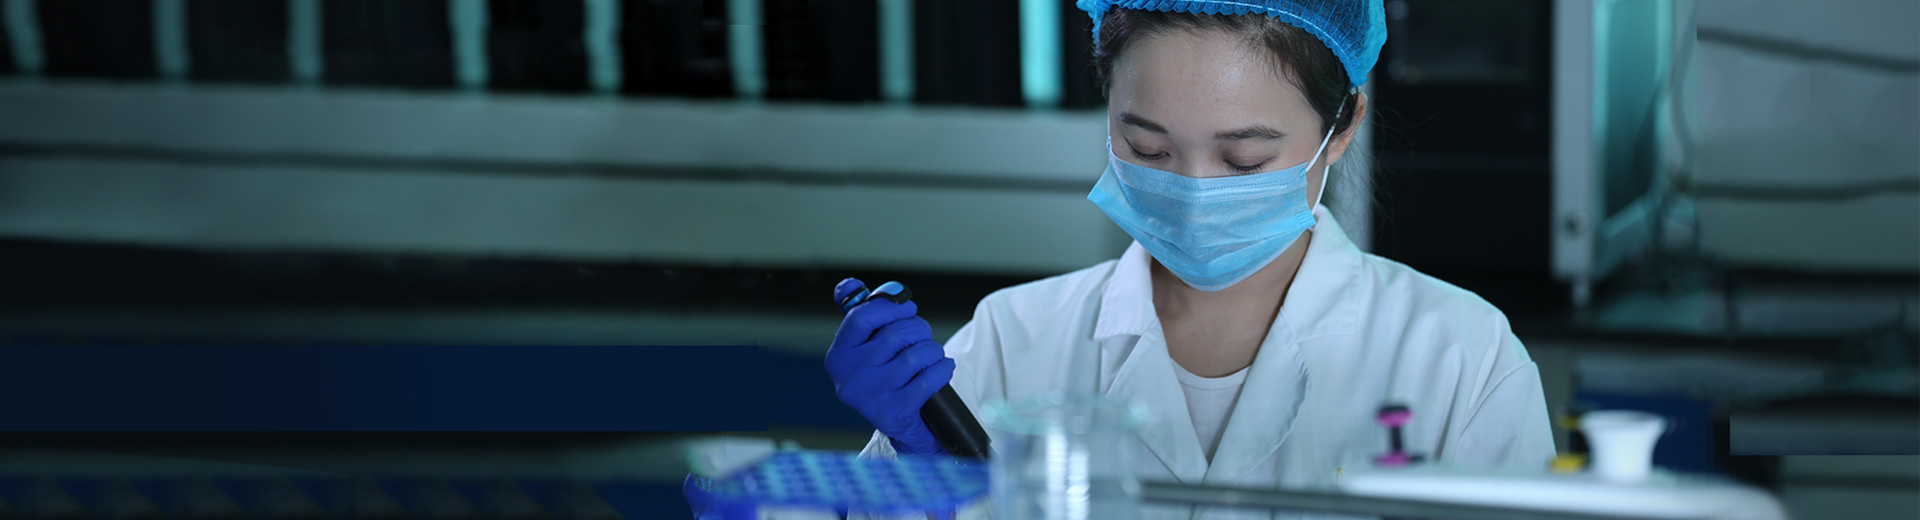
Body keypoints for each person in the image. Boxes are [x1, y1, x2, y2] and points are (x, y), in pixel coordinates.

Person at [826, 1, 1554, 517]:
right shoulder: (1012, 340)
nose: (1194, 192)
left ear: (1342, 127)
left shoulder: (1460, 359)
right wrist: (917, 474)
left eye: (1244, 160)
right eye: (1148, 149)